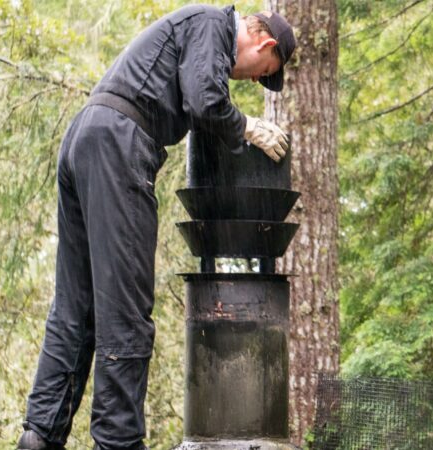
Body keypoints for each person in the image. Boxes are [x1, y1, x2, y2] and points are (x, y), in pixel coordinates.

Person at [16, 5, 296, 450]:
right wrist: (248, 128)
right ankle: (120, 442)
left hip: (86, 138)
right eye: (263, 72)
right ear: (264, 44)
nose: (254, 80)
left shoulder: (197, 36)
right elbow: (205, 102)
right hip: (118, 144)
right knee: (126, 312)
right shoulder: (212, 25)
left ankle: (40, 437)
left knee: (77, 308)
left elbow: (198, 97)